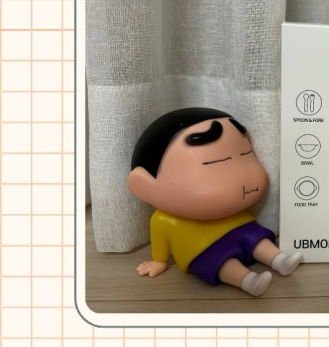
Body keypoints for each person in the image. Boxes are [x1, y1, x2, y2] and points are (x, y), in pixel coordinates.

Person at [127, 107, 302, 297]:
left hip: (238, 225)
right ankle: (248, 281)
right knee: (220, 261)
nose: (243, 177)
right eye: (215, 163)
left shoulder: (234, 210)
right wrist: (159, 261)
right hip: (200, 248)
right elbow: (160, 242)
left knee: (257, 239)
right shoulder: (163, 219)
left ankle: (280, 260)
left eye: (246, 154)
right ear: (144, 186)